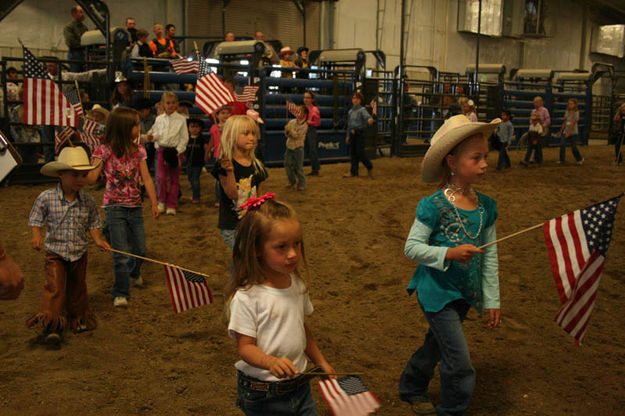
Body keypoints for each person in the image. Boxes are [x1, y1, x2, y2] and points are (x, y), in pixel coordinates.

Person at [399, 114, 501, 416]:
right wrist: (449, 254)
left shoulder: (487, 207)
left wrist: (492, 297)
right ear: (452, 161)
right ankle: (453, 409)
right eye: (476, 158)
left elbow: (490, 255)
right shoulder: (433, 205)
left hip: (463, 293)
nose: (484, 164)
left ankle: (411, 386)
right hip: (435, 291)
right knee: (459, 361)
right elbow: (411, 248)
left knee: (436, 345)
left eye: (486, 156)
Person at [226, 194, 335, 415]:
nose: (293, 254)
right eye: (281, 247)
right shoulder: (247, 297)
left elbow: (301, 327)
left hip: (300, 386)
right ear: (257, 248)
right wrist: (270, 362)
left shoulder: (296, 284)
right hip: (264, 395)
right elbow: (245, 347)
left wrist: (320, 361)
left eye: (297, 243)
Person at [28, 146, 110, 345]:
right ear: (61, 174)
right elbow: (36, 217)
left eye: (84, 175)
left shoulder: (88, 200)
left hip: (79, 252)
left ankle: (78, 317)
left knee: (78, 286)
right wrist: (36, 235)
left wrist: (97, 239)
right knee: (55, 287)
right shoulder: (47, 198)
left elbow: (93, 222)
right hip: (55, 252)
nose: (81, 179)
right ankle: (52, 325)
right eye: (75, 175)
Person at [87, 107, 159, 308]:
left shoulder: (139, 151)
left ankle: (134, 273)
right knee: (120, 253)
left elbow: (146, 178)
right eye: (136, 125)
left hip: (135, 206)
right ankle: (120, 291)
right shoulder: (104, 150)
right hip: (114, 207)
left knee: (141, 250)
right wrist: (83, 170)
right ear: (124, 128)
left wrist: (153, 202)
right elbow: (92, 178)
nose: (139, 128)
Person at [211, 115, 267, 250]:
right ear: (232, 136)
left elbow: (259, 196)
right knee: (243, 256)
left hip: (251, 223)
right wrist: (230, 172)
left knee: (243, 259)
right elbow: (232, 195)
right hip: (232, 226)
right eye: (246, 133)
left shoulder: (257, 165)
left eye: (253, 133)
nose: (252, 137)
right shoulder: (222, 165)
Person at [147, 91, 189, 215]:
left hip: (175, 151)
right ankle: (162, 201)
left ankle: (172, 204)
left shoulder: (181, 119)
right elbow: (155, 133)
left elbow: (184, 138)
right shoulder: (159, 119)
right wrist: (151, 136)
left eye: (173, 103)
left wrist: (178, 150)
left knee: (174, 179)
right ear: (163, 104)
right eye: (168, 103)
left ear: (176, 104)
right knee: (160, 178)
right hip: (162, 150)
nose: (170, 105)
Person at [345, 91, 374, 178]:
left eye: (357, 98)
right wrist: (348, 135)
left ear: (360, 100)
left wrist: (369, 120)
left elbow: (367, 117)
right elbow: (349, 125)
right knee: (353, 153)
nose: (355, 100)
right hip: (352, 133)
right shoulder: (350, 112)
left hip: (360, 133)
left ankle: (369, 166)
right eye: (353, 98)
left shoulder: (362, 110)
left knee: (360, 152)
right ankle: (354, 172)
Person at [209, 104, 233, 207]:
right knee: (220, 179)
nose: (226, 115)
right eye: (223, 113)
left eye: (228, 113)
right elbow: (212, 140)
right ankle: (219, 199)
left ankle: (230, 196)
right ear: (217, 115)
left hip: (230, 155)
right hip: (219, 156)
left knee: (230, 177)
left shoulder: (232, 127)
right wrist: (208, 150)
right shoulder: (214, 127)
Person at [284, 105, 308, 191]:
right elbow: (287, 134)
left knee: (298, 167)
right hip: (289, 147)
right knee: (287, 164)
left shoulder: (304, 125)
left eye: (300, 111)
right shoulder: (292, 121)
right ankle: (292, 181)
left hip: (298, 148)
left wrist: (289, 131)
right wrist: (287, 131)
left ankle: (302, 183)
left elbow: (297, 136)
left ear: (304, 114)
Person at [185, 117, 209, 203]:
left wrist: (207, 156)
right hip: (188, 163)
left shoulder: (202, 139)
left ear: (200, 128)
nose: (194, 129)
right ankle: (195, 194)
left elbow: (207, 149)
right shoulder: (186, 138)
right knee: (190, 178)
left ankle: (196, 196)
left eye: (197, 127)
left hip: (198, 163)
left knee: (195, 180)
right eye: (192, 126)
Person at [557, 98, 584, 165]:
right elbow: (565, 122)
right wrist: (561, 131)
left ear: (575, 105)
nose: (570, 105)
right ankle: (562, 160)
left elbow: (573, 123)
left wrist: (568, 133)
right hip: (566, 131)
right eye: (569, 103)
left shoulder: (576, 113)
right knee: (562, 145)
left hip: (573, 132)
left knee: (573, 147)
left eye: (571, 104)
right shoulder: (567, 112)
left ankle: (579, 159)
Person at [63, 5, 88, 72]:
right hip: (75, 56)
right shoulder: (69, 27)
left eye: (83, 12)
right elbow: (71, 42)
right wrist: (84, 45)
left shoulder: (84, 28)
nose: (83, 14)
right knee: (75, 76)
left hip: (84, 56)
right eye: (81, 12)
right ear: (74, 13)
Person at [303, 91, 321, 176]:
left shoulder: (314, 109)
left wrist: (311, 123)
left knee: (312, 150)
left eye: (308, 98)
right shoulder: (303, 109)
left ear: (312, 99)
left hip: (311, 130)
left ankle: (315, 169)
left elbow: (317, 123)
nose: (306, 99)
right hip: (303, 129)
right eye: (305, 97)